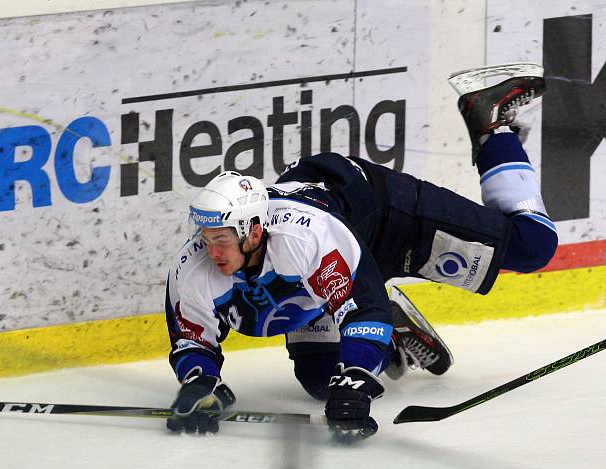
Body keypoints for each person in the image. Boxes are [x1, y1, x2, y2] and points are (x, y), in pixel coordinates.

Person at [163, 63, 557, 440]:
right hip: (319, 265)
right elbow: (193, 340)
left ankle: (491, 124)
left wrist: (357, 381)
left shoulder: (307, 240)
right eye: (207, 236)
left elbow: (363, 307)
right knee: (322, 384)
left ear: (253, 231)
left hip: (383, 216)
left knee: (533, 245)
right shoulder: (195, 264)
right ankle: (394, 325)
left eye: (221, 239)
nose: (210, 250)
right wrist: (199, 383)